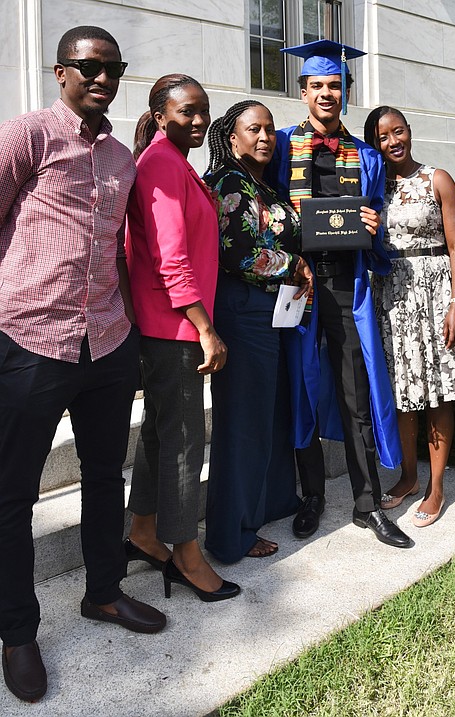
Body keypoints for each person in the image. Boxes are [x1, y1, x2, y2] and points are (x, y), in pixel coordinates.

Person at [0, 26, 166, 704]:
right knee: (12, 495)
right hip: (30, 339)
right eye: (89, 66)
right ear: (61, 70)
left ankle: (103, 593)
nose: (102, 77)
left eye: (113, 67)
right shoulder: (28, 136)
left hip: (106, 340)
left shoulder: (123, 159)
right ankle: (16, 632)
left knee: (105, 474)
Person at [268, 40, 410, 549]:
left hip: (347, 286)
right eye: (317, 85)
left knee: (356, 394)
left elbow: (378, 224)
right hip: (296, 284)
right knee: (301, 388)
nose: (326, 93)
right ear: (303, 91)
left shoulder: (367, 157)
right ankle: (311, 497)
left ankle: (367, 504)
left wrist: (373, 226)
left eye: (335, 84)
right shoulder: (280, 146)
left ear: (345, 90)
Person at [124, 74, 240, 602]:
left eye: (204, 112)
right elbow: (170, 259)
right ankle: (186, 555)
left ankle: (144, 531)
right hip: (176, 328)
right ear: (161, 112)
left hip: (171, 325)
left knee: (159, 433)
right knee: (185, 443)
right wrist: (205, 328)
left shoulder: (172, 162)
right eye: (187, 112)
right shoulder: (162, 166)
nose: (198, 121)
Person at [363, 106, 455, 527]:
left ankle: (436, 487)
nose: (393, 141)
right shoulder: (372, 188)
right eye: (383, 137)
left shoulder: (438, 179)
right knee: (402, 392)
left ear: (410, 132)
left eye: (399, 132)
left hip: (435, 295)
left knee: (437, 394)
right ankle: (409, 477)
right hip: (392, 298)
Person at [203, 101, 312, 563]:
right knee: (243, 423)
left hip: (271, 312)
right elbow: (236, 253)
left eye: (270, 129)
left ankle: (271, 502)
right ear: (232, 138)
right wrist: (294, 264)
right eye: (254, 129)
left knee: (270, 414)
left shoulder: (261, 185)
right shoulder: (230, 182)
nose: (265, 136)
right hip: (242, 311)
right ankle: (231, 535)